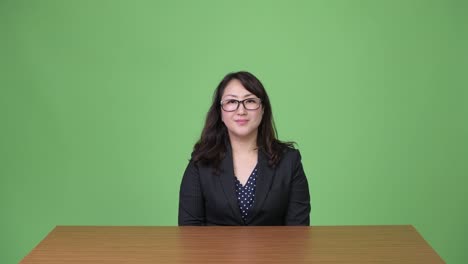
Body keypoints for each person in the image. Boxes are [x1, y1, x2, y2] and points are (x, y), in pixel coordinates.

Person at [178, 71, 310, 226]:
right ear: (220, 112)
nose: (241, 111)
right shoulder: (200, 163)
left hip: (274, 250)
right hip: (214, 251)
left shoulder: (289, 161)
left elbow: (298, 232)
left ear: (262, 109)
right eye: (232, 102)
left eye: (250, 101)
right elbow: (189, 232)